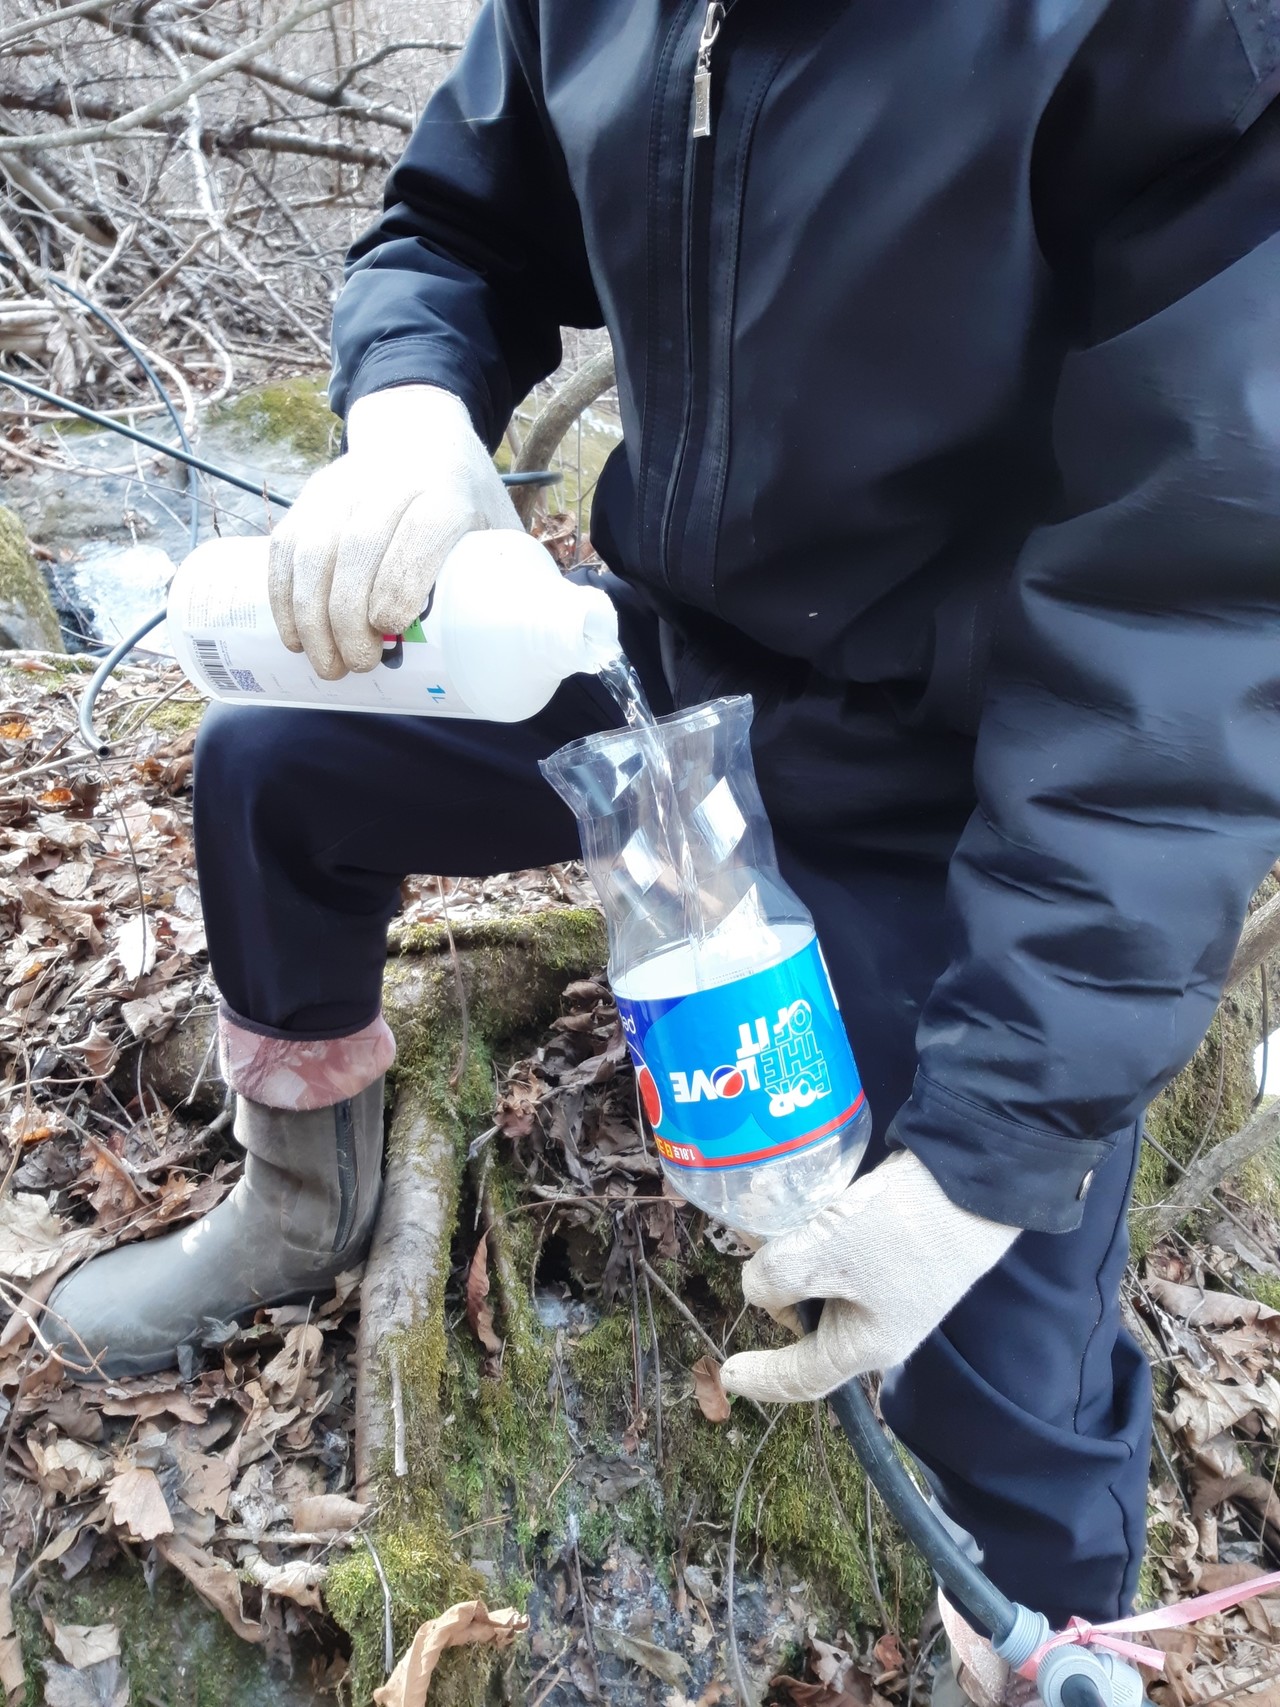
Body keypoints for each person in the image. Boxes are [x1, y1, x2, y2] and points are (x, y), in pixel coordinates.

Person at [49, 2, 1280, 1695]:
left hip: (965, 755)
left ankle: (1044, 1643)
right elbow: (457, 220)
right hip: (657, 659)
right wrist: (410, 409)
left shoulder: (1177, 36)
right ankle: (302, 1197)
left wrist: (1003, 1136)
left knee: (991, 1332)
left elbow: (1193, 616)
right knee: (275, 766)